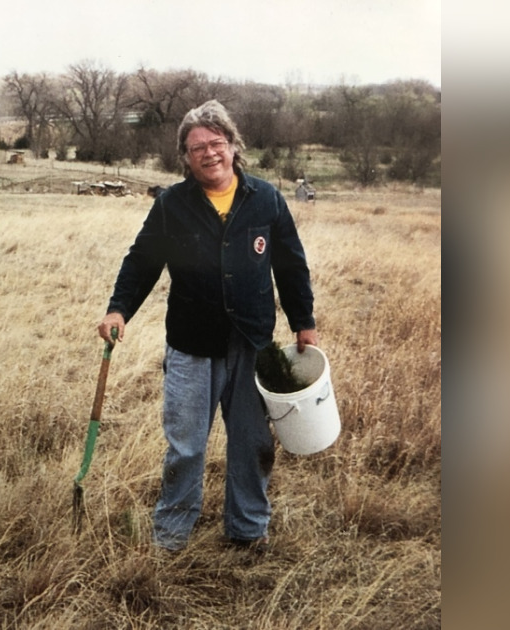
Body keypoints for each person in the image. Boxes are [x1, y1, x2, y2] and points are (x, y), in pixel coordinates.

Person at [98, 100, 318, 553]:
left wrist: (304, 323)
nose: (209, 153)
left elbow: (291, 265)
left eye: (217, 143)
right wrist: (119, 309)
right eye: (197, 147)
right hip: (191, 345)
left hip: (252, 344)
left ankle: (248, 529)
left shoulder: (266, 199)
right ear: (185, 156)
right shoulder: (172, 205)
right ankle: (172, 534)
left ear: (234, 147)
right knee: (186, 446)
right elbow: (142, 261)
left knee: (252, 443)